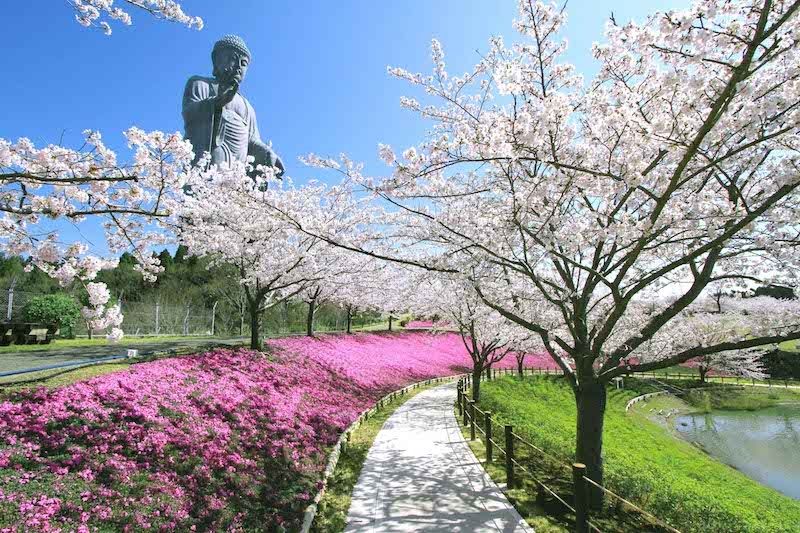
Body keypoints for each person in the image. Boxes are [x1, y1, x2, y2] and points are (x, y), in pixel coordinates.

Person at [182, 35, 284, 177]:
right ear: (216, 60)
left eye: (243, 64)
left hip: (239, 163)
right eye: (233, 59)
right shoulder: (200, 84)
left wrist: (267, 153)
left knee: (236, 193)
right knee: (209, 182)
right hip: (212, 151)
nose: (238, 67)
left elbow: (252, 140)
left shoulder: (247, 106)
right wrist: (216, 103)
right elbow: (189, 114)